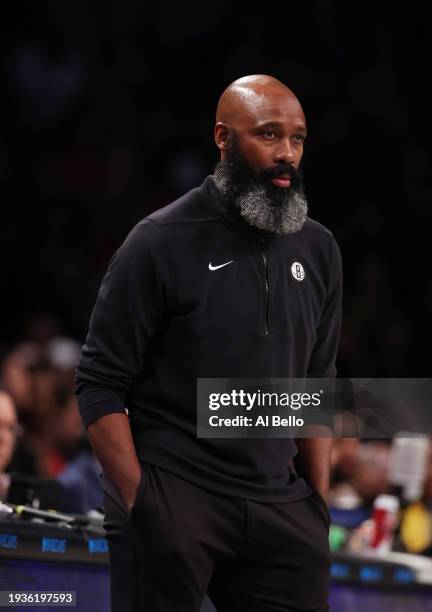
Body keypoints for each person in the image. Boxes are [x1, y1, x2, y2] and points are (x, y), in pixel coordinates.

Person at [76, 74, 342, 612]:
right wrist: (144, 502)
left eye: (298, 138)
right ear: (223, 138)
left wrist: (318, 505)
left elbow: (317, 384)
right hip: (177, 488)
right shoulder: (158, 241)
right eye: (268, 135)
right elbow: (100, 383)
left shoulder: (320, 249)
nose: (287, 153)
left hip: (280, 503)